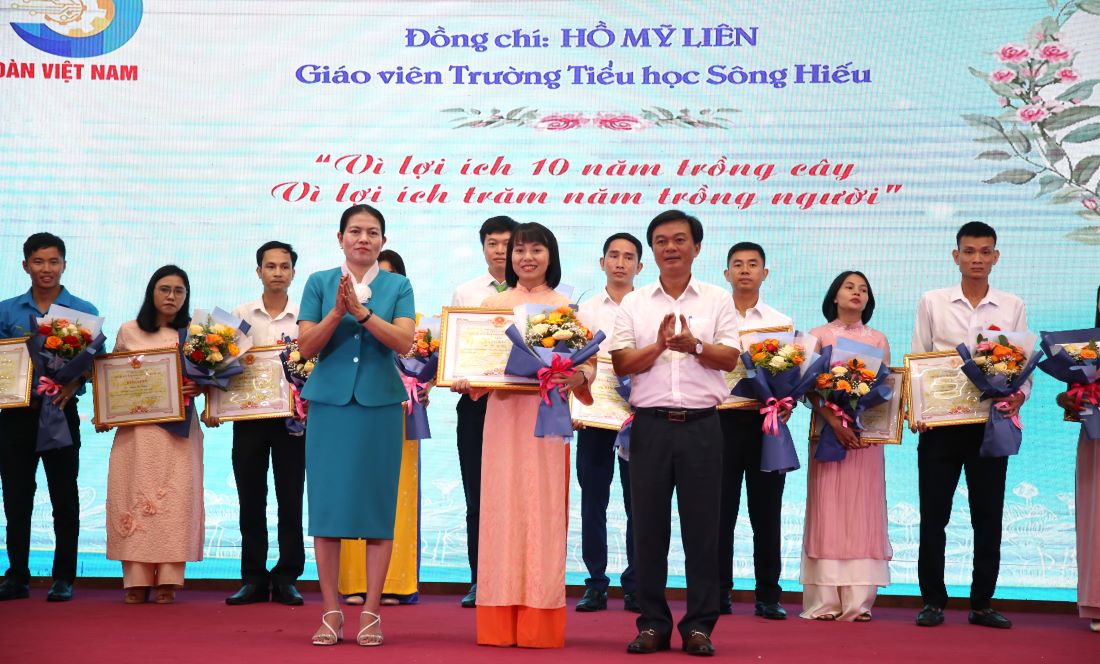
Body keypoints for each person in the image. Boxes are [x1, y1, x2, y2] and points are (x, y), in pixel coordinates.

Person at [452, 222, 595, 648]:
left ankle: (539, 621)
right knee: (500, 510)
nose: (525, 257)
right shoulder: (489, 304)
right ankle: (497, 620)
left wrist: (578, 376)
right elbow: (477, 366)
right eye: (518, 250)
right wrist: (464, 378)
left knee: (543, 510)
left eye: (535, 249)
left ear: (550, 255)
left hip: (546, 419)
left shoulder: (567, 306)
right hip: (501, 418)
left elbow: (590, 365)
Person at [610, 210, 740, 656]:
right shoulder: (635, 302)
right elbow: (622, 364)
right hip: (650, 428)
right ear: (654, 250)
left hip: (703, 428)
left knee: (704, 530)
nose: (670, 247)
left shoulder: (717, 299)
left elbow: (728, 358)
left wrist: (696, 346)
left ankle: (700, 625)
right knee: (647, 529)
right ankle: (653, 624)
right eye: (661, 240)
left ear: (696, 248)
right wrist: (662, 346)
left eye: (679, 240)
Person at [296, 204, 415, 646]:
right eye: (355, 231)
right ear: (340, 237)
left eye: (372, 232)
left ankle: (371, 612)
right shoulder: (319, 282)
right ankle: (330, 611)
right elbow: (306, 348)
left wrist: (363, 314)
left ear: (383, 240)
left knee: (376, 510)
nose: (363, 239)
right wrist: (337, 311)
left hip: (380, 405)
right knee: (327, 510)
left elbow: (404, 342)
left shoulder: (398, 285)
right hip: (330, 404)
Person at [911, 221, 1028, 629]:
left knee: (988, 515)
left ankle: (982, 603)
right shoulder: (932, 300)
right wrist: (918, 411)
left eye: (985, 251)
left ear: (996, 256)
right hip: (940, 426)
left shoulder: (1011, 304)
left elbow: (1020, 363)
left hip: (990, 424)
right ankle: (932, 601)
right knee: (934, 516)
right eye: (969, 251)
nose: (976, 258)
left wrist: (1019, 396)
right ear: (955, 255)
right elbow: (919, 358)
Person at [0, 232, 99, 602]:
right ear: (25, 265)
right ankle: (17, 575)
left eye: (54, 261)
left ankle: (64, 577)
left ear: (64, 265)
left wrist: (70, 386)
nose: (47, 269)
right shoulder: (6, 311)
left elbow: (92, 368)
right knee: (16, 497)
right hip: (16, 417)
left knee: (64, 496)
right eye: (38, 262)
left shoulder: (80, 310)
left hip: (60, 413)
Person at [102, 265, 204, 604]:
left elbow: (210, 379)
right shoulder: (128, 330)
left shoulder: (195, 334)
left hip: (178, 433)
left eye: (179, 290)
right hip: (137, 432)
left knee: (175, 500)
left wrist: (199, 386)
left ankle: (169, 581)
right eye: (164, 289)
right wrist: (106, 411)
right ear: (151, 292)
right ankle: (136, 579)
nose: (171, 296)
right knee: (133, 491)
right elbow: (113, 379)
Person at [801, 271, 892, 621]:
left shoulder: (878, 338)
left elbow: (886, 389)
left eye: (863, 289)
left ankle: (858, 602)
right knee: (829, 508)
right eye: (849, 287)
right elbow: (808, 386)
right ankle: (824, 602)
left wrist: (859, 423)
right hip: (828, 435)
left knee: (863, 510)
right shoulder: (819, 336)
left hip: (864, 441)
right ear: (834, 296)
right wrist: (835, 420)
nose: (857, 293)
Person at [218, 241, 305, 607]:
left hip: (292, 421)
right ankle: (252, 577)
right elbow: (218, 364)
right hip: (250, 419)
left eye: (284, 267)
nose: (277, 273)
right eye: (270, 266)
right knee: (250, 499)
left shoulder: (305, 315)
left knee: (291, 500)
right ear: (258, 272)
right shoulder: (239, 315)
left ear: (293, 273)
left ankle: (287, 577)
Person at [340, 248, 422, 607]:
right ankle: (353, 582)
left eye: (387, 277)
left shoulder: (415, 323)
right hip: (352, 408)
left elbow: (425, 366)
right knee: (350, 491)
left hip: (399, 414)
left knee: (395, 498)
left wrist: (420, 388)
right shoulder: (343, 315)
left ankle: (396, 583)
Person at [717, 242, 793, 619]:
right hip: (720, 422)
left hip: (766, 424)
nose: (745, 270)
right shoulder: (712, 319)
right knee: (719, 513)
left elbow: (790, 376)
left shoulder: (780, 323)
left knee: (767, 513)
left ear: (765, 273)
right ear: (726, 274)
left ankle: (769, 595)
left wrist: (786, 402)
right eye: (738, 265)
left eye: (753, 264)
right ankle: (718, 593)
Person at [449, 215, 518, 608]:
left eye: (508, 243)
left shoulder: (539, 292)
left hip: (522, 406)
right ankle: (480, 580)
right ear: (483, 247)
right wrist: (457, 374)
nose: (500, 251)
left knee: (520, 496)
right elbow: (458, 347)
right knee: (477, 496)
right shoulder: (467, 291)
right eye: (493, 243)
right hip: (476, 404)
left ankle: (519, 580)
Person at [574, 232, 643, 613]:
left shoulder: (648, 306)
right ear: (602, 262)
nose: (620, 262)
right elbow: (569, 361)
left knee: (640, 505)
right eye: (613, 255)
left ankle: (636, 584)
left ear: (639, 266)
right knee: (593, 502)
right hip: (594, 417)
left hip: (639, 419)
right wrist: (575, 408)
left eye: (628, 257)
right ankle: (596, 583)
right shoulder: (584, 310)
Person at [1056, 288, 1100, 632]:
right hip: (1095, 442)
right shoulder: (1088, 351)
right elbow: (1069, 397)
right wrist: (1070, 399)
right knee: (1095, 519)